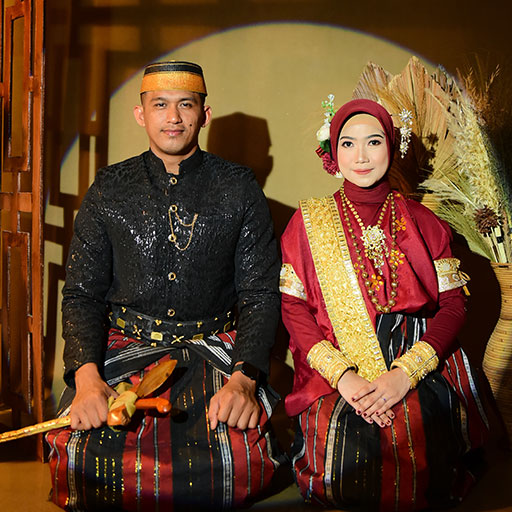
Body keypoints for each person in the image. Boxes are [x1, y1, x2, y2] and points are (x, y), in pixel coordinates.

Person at [46, 61, 283, 511]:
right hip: (125, 348)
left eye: (185, 105)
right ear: (141, 114)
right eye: (160, 105)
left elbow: (260, 294)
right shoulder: (109, 188)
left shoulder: (240, 188)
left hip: (213, 349)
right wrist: (87, 378)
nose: (173, 117)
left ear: (204, 114)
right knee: (82, 459)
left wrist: (244, 379)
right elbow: (81, 293)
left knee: (239, 461)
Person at [280, 99, 489, 511]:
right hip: (336, 361)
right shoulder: (308, 222)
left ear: (391, 147)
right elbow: (293, 309)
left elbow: (453, 307)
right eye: (348, 143)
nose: (361, 156)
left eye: (373, 142)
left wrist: (404, 375)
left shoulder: (425, 221)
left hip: (417, 357)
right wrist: (344, 378)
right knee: (341, 452)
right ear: (333, 152)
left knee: (418, 434)